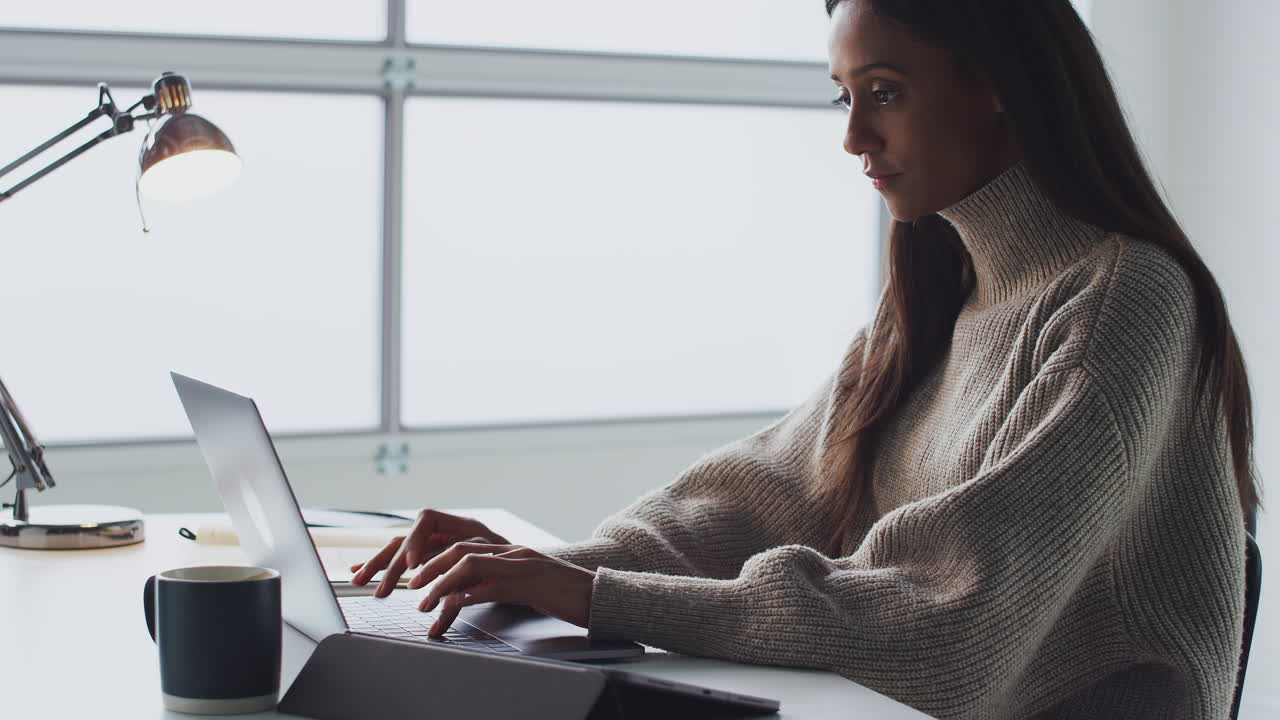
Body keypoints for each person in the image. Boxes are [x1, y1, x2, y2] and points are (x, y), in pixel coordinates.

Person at [351, 1, 1259, 717]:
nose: (854, 136)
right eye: (844, 94)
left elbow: (950, 622)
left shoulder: (1125, 302)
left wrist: (595, 596)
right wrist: (540, 571)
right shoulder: (939, 294)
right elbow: (751, 499)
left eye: (887, 91)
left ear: (998, 85)